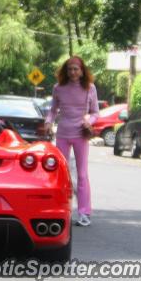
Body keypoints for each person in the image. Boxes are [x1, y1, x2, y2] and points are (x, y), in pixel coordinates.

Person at [45, 56, 99, 227]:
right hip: (62, 134)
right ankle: (59, 210)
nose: (73, 72)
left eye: (76, 69)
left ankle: (84, 213)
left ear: (82, 71)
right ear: (65, 71)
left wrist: (88, 121)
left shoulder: (90, 88)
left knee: (82, 175)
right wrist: (48, 121)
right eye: (70, 69)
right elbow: (53, 110)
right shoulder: (58, 88)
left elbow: (96, 112)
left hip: (80, 135)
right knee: (60, 173)